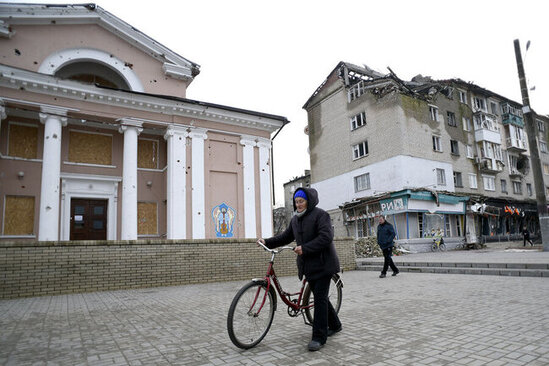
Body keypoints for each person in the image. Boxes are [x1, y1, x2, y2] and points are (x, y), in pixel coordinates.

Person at [257, 187, 342, 352]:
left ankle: (319, 337)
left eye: (301, 201)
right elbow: (285, 237)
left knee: (319, 298)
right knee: (321, 296)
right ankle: (336, 324)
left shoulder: (321, 215)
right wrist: (267, 242)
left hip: (324, 264)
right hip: (308, 266)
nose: (298, 204)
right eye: (296, 202)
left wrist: (305, 248)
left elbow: (326, 237)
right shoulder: (295, 220)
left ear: (308, 201)